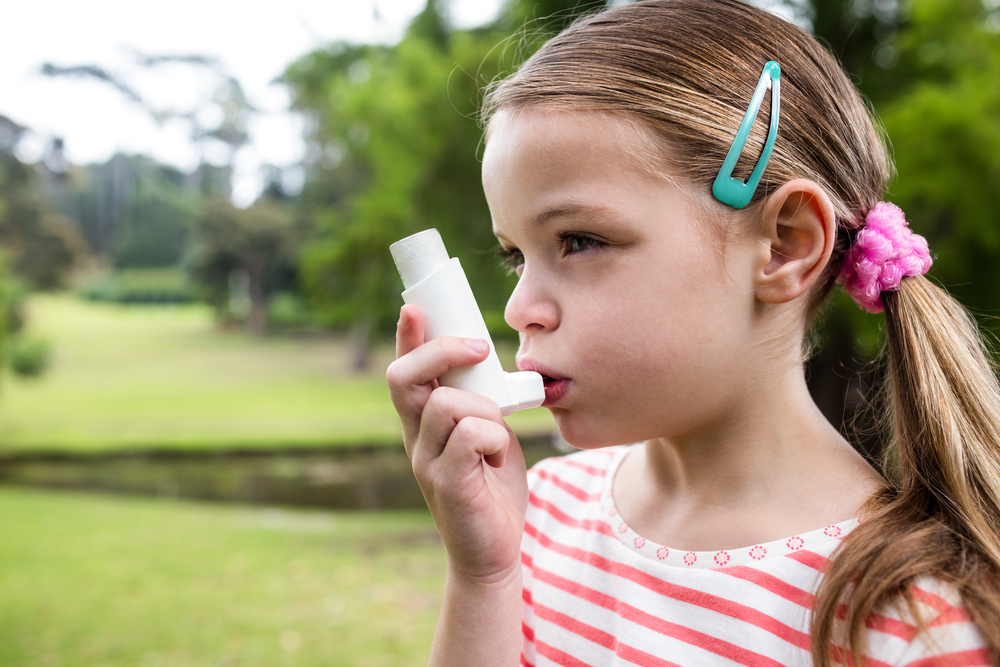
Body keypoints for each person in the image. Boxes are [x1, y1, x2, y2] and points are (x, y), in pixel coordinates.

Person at [386, 1, 1000, 665]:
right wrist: (483, 578)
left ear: (785, 246)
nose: (518, 307)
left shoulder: (914, 621)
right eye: (516, 255)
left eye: (579, 240)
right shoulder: (540, 515)